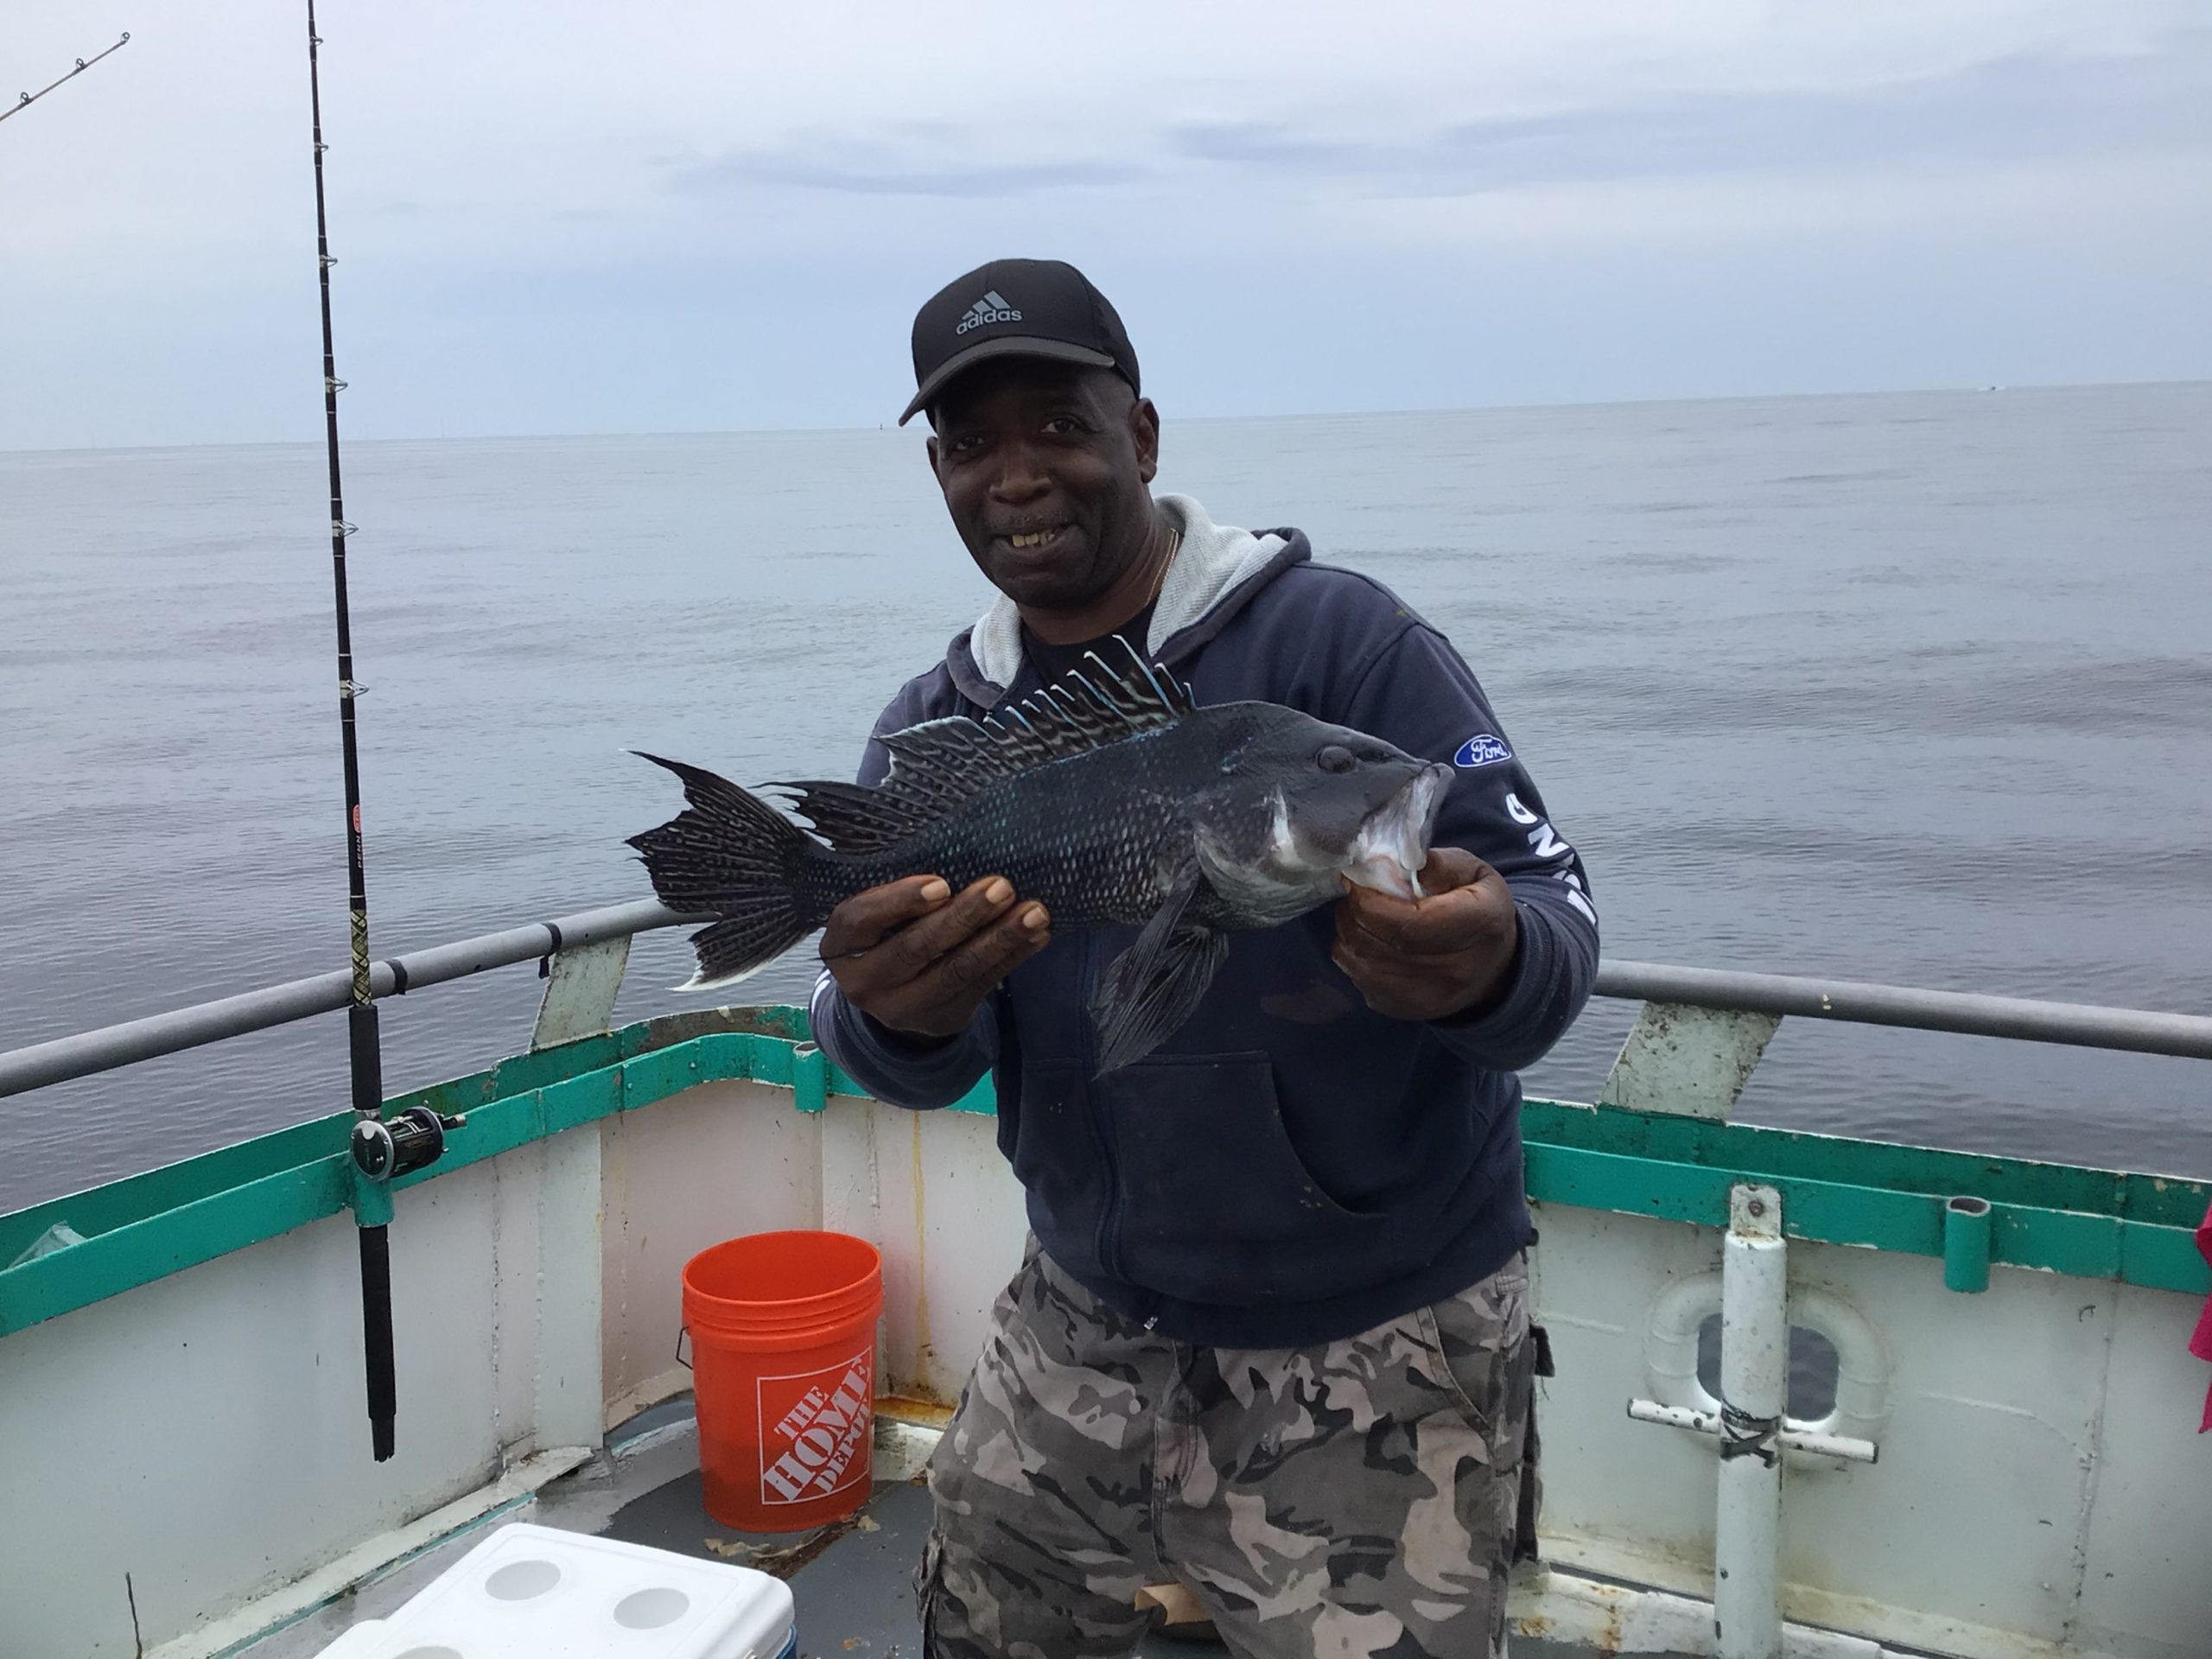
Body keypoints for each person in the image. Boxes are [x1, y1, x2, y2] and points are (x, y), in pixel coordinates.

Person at [809, 257, 1598, 1659]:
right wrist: (893, 1018)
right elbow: (897, 1052)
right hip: (1076, 1326)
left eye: (1057, 423)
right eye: (972, 444)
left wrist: (1486, 963)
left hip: (1381, 1343)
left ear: (1144, 434)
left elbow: (1551, 915)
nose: (1018, 475)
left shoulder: (1345, 645)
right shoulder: (938, 727)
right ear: (939, 470)